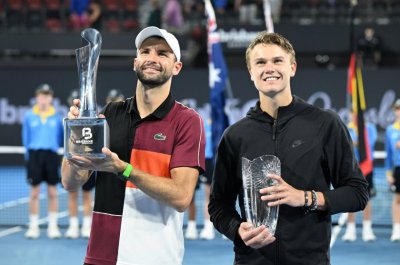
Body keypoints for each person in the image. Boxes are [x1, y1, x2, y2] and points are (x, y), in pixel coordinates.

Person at [208, 31, 369, 264]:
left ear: (292, 67)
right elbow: (219, 206)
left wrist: (305, 198)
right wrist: (236, 230)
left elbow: (357, 193)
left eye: (277, 60)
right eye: (260, 62)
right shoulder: (235, 135)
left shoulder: (325, 124)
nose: (269, 68)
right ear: (251, 72)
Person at [61, 26, 205, 265]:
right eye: (145, 51)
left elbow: (181, 196)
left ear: (176, 67)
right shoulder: (108, 114)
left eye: (162, 53)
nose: (152, 58)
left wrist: (123, 169)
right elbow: (70, 181)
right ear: (135, 62)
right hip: (101, 256)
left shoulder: (187, 121)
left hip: (156, 258)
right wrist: (75, 141)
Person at [22, 83, 64, 239]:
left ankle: (53, 227)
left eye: (47, 96)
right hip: (34, 156)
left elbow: (60, 139)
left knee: (53, 192)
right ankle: (33, 227)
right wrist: (28, 159)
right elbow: (25, 138)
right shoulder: (28, 115)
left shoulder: (57, 116)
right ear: (36, 98)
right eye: (41, 95)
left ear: (51, 98)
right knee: (34, 193)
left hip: (51, 156)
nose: (44, 98)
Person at [64, 89, 96, 239]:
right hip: (71, 159)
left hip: (89, 160)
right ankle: (73, 225)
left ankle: (87, 226)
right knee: (72, 193)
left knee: (88, 195)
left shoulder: (93, 118)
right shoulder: (66, 119)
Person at [342, 113, 378, 242]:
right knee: (349, 198)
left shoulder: (370, 128)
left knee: (367, 199)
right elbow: (344, 145)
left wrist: (359, 137)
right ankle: (350, 229)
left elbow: (371, 143)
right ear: (351, 114)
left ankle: (367, 229)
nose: (355, 116)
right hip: (351, 168)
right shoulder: (346, 127)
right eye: (353, 113)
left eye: (357, 113)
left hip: (367, 168)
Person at [385, 98, 400, 242]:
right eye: (398, 108)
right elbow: (389, 154)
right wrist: (389, 173)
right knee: (397, 199)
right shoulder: (390, 130)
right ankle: (396, 229)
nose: (399, 111)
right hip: (398, 168)